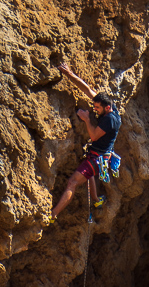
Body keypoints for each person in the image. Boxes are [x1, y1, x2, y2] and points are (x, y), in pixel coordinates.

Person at [48, 62, 121, 222]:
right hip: (100, 156)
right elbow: (87, 89)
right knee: (88, 175)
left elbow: (94, 136)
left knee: (72, 182)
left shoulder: (110, 120)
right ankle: (96, 200)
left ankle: (53, 215)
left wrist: (87, 119)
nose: (95, 110)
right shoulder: (110, 107)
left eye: (97, 108)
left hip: (97, 160)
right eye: (94, 107)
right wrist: (69, 74)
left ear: (107, 108)